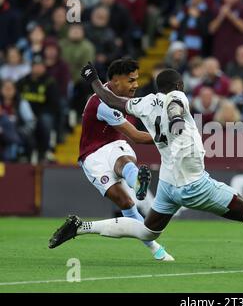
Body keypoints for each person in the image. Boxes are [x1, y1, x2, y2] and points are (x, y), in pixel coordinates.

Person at [48, 65, 243, 266]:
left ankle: (82, 227)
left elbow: (113, 99)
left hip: (169, 186)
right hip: (195, 184)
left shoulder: (144, 103)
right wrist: (177, 121)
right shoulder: (178, 96)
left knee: (147, 230)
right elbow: (174, 106)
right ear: (179, 86)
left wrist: (94, 81)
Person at [57, 58, 173, 261]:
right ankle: (138, 187)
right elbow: (136, 136)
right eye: (131, 80)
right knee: (125, 202)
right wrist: (169, 137)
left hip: (115, 145)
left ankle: (137, 183)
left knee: (123, 159)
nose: (136, 85)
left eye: (136, 79)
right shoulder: (102, 104)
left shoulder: (126, 99)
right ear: (115, 81)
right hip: (92, 157)